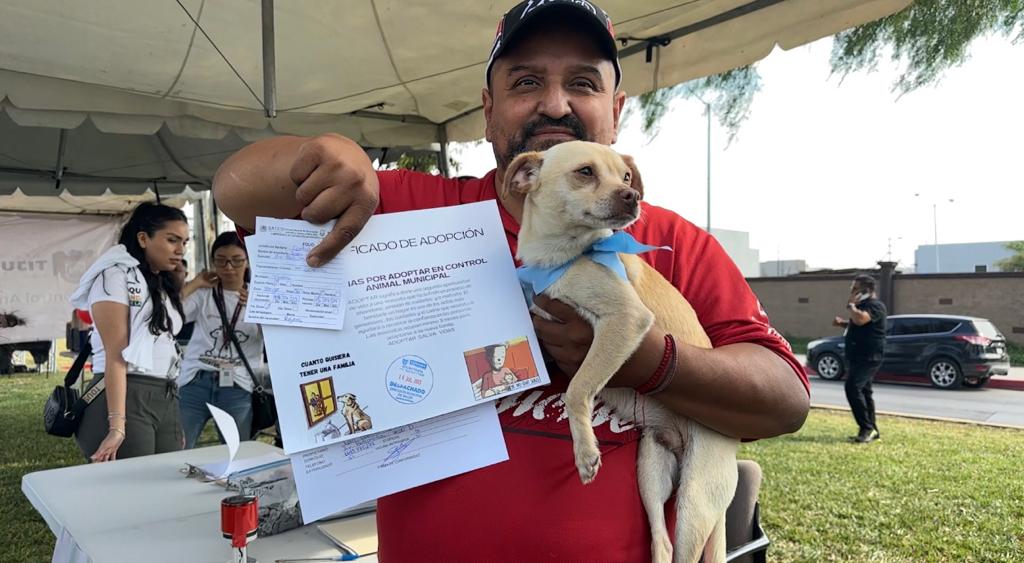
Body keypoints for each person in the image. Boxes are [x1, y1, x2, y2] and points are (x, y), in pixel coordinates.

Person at [212, 1, 810, 559]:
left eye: (583, 83)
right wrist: (332, 154)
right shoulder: (405, 209)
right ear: (488, 109)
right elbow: (236, 188)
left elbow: (785, 400)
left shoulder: (667, 243)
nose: (555, 104)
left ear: (617, 110)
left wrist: (649, 359)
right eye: (526, 82)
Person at [69, 203, 188, 462]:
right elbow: (116, 355)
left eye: (184, 242)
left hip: (164, 393)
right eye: (172, 240)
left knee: (165, 484)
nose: (180, 250)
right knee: (132, 490)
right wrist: (116, 427)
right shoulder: (114, 276)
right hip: (125, 394)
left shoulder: (159, 282)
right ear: (143, 238)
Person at [178, 232, 263, 448]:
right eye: (221, 260)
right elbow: (169, 317)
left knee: (235, 451)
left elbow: (274, 341)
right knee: (178, 447)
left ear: (248, 261)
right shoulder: (204, 294)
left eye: (236, 260)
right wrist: (195, 283)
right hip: (195, 379)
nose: (229, 267)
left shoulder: (260, 297)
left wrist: (257, 309)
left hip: (237, 383)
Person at [832, 273, 887, 443]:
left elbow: (862, 320)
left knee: (852, 387)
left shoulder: (875, 306)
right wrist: (843, 323)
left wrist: (851, 306)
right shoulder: (862, 306)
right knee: (865, 391)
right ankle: (872, 429)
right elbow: (858, 325)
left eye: (855, 289)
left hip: (869, 357)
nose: (852, 291)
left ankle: (866, 427)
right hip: (857, 355)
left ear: (866, 291)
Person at [173, 258, 196, 346]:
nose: (172, 274)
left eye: (176, 270)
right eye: (169, 271)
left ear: (186, 274)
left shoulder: (195, 292)